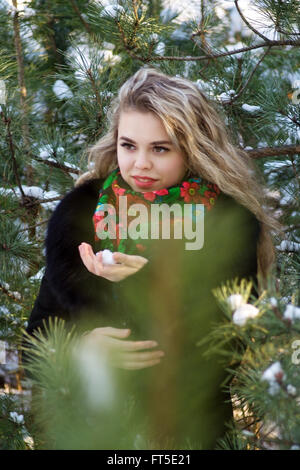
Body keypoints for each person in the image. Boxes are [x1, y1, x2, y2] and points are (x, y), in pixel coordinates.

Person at [22, 66, 279, 449]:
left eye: (160, 148)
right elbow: (36, 344)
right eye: (129, 145)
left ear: (192, 150)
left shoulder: (225, 224)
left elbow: (231, 347)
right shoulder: (84, 216)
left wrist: (148, 280)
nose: (140, 163)